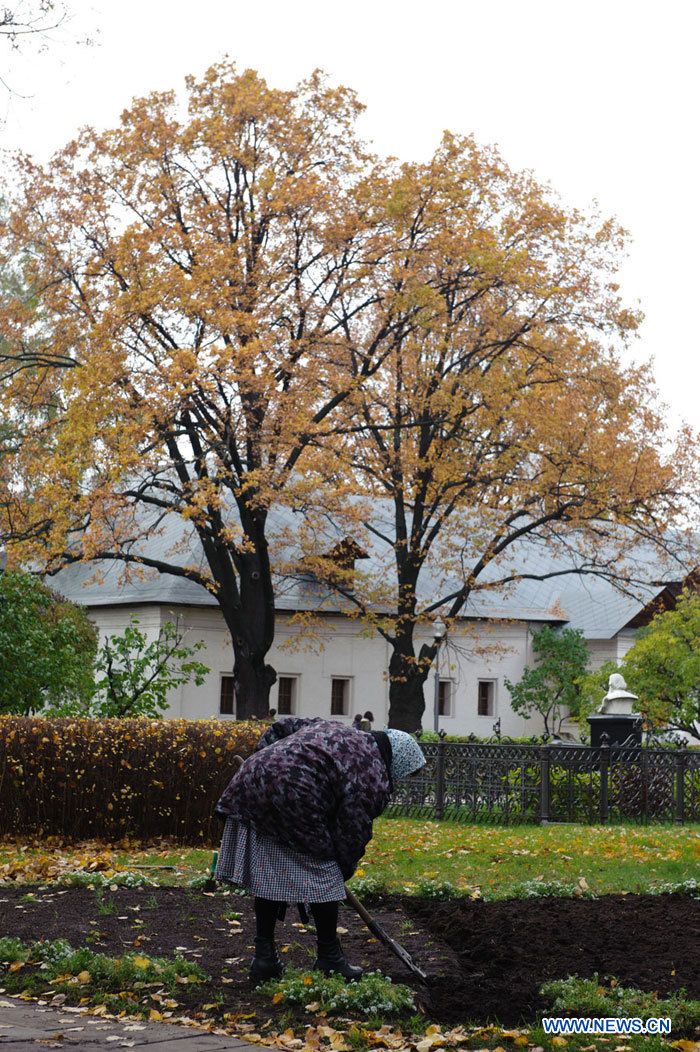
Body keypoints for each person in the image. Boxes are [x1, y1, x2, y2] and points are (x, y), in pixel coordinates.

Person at [214, 716, 425, 983]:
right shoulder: (373, 773)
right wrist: (342, 870)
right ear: (397, 762)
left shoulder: (337, 727)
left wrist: (266, 764)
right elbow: (352, 830)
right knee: (325, 874)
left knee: (269, 878)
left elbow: (282, 726)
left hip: (252, 781)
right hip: (296, 796)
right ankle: (330, 959)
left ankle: (264, 959)